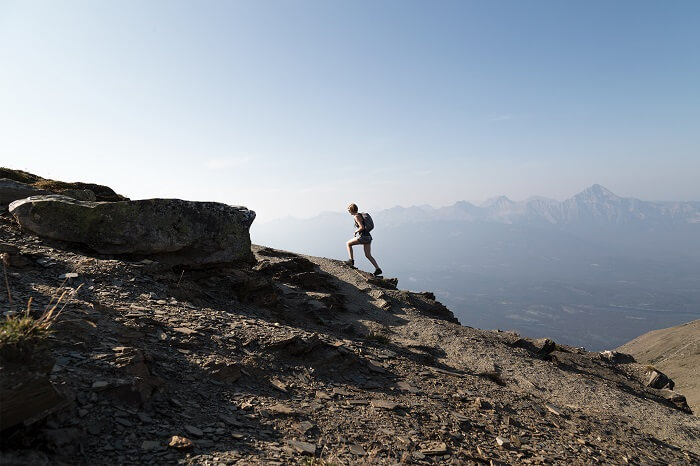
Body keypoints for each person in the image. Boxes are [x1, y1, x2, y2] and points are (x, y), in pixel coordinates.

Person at [345, 203, 382, 276]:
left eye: (349, 210)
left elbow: (361, 227)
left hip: (364, 236)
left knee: (348, 244)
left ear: (352, 210)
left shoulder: (356, 216)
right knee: (368, 255)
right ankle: (378, 269)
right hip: (368, 237)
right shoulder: (360, 214)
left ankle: (351, 260)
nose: (348, 211)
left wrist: (356, 231)